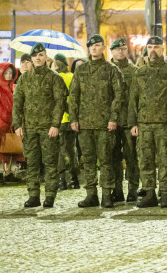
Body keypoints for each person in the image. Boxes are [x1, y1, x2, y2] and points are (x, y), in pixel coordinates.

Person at [69, 35, 124, 208]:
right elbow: (73, 96)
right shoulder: (81, 70)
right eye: (91, 45)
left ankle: (107, 194)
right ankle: (91, 194)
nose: (94, 48)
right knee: (88, 160)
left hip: (104, 124)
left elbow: (118, 95)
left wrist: (113, 118)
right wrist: (73, 118)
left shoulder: (111, 70)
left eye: (97, 45)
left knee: (106, 160)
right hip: (84, 124)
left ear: (103, 47)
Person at [128, 36, 167, 208]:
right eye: (150, 47)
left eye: (156, 47)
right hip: (144, 124)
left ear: (162, 49)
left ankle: (166, 193)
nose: (153, 50)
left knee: (166, 159)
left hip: (164, 124)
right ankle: (149, 193)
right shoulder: (140, 72)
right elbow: (133, 99)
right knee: (145, 160)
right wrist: (133, 123)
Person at [12, 43, 67, 208]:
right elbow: (17, 103)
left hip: (48, 128)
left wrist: (55, 124)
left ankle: (50, 195)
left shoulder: (54, 78)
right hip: (29, 128)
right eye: (35, 56)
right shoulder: (24, 78)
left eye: (41, 55)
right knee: (32, 163)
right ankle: (33, 195)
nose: (38, 58)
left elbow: (60, 103)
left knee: (50, 163)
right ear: (31, 58)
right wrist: (17, 124)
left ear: (46, 57)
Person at [109, 38, 140, 202]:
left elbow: (138, 98)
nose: (120, 52)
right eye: (117, 49)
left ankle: (133, 189)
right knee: (114, 158)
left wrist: (135, 121)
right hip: (111, 121)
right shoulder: (106, 70)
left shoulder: (135, 71)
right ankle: (117, 190)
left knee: (131, 157)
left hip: (129, 121)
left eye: (123, 49)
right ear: (111, 52)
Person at [0, 62, 20, 183]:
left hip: (13, 123)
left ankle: (11, 172)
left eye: (10, 73)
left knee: (14, 147)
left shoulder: (14, 87)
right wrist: (9, 118)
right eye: (6, 73)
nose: (8, 75)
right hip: (0, 123)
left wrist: (16, 119)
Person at [53, 54, 78, 189]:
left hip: (60, 119)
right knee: (71, 150)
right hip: (72, 119)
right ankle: (74, 180)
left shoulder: (56, 77)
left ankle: (63, 181)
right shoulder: (72, 76)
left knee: (61, 152)